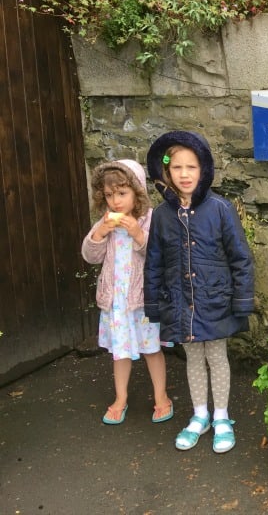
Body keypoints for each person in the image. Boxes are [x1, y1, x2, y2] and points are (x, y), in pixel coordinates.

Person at [144, 131, 254, 453]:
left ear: (203, 169)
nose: (184, 174)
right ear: (167, 173)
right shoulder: (162, 216)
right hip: (179, 302)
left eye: (191, 167)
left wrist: (242, 300)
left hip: (215, 300)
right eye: (177, 168)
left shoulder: (220, 208)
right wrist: (154, 304)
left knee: (217, 356)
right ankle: (200, 415)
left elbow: (241, 257)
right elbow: (153, 262)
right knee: (192, 357)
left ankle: (221, 416)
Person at [81, 159, 173, 425]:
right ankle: (120, 398)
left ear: (137, 192)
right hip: (116, 303)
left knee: (152, 349)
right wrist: (99, 233)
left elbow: (160, 256)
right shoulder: (105, 223)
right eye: (109, 195)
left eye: (122, 193)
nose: (116, 201)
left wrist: (137, 234)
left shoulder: (149, 220)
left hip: (143, 301)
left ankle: (161, 396)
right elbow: (90, 256)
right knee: (119, 352)